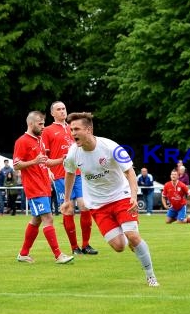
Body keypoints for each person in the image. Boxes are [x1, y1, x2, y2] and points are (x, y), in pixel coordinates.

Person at [60, 112, 158, 286]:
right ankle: (130, 240)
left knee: (133, 236)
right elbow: (69, 174)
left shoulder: (110, 147)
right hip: (98, 205)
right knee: (119, 246)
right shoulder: (73, 153)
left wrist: (134, 197)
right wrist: (67, 200)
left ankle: (151, 276)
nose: (73, 133)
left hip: (121, 197)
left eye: (77, 129)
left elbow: (130, 172)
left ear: (89, 130)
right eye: (71, 129)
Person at [14, 111, 74, 264]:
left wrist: (62, 159)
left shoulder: (39, 141)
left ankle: (23, 254)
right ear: (31, 123)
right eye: (40, 124)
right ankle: (59, 255)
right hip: (34, 188)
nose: (43, 127)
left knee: (36, 220)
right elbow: (16, 165)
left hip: (44, 186)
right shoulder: (22, 141)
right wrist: (34, 161)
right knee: (48, 218)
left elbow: (45, 162)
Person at [42, 101, 97, 255]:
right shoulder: (47, 131)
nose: (62, 111)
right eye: (58, 109)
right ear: (52, 113)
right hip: (60, 174)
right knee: (69, 209)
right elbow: (44, 158)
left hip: (80, 172)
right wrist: (48, 170)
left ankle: (86, 245)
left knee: (85, 205)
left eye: (64, 108)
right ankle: (74, 247)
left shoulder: (73, 127)